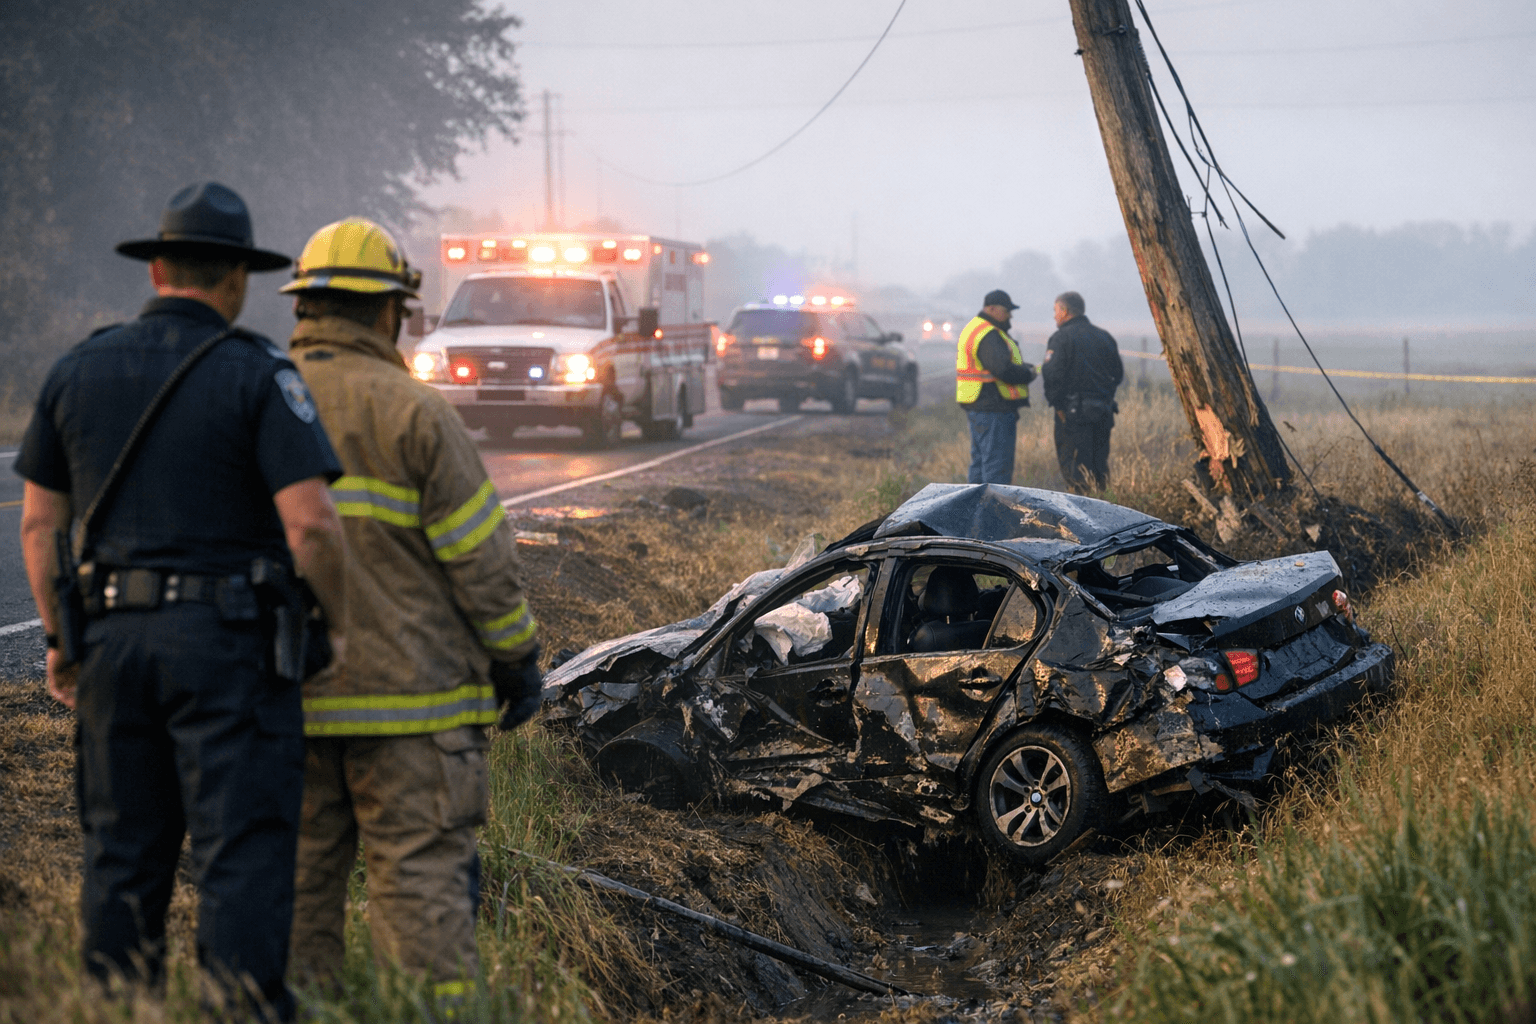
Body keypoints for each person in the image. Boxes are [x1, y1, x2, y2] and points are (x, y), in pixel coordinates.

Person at [15, 182, 347, 1022]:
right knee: (240, 852)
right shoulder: (258, 373)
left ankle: (119, 1009)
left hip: (113, 645)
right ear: (236, 278)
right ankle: (240, 1012)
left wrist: (63, 639)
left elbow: (38, 525)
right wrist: (331, 623)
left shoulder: (76, 369)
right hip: (231, 648)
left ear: (157, 267)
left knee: (122, 851)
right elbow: (310, 527)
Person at [280, 218, 543, 1000]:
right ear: (390, 310)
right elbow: (482, 563)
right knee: (423, 905)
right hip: (414, 711)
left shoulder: (257, 401)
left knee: (292, 908)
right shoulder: (417, 413)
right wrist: (517, 661)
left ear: (306, 306)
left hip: (283, 704)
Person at [1042, 291, 1124, 492]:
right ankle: (1103, 506)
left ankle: (1082, 513)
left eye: (1055, 310)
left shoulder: (1061, 338)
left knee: (1075, 469)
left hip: (1073, 416)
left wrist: (1058, 406)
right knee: (1098, 466)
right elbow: (1118, 374)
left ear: (1065, 311)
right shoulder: (1104, 337)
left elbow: (1052, 375)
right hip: (1103, 412)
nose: (1054, 316)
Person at [955, 289, 1038, 485]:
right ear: (991, 309)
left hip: (980, 407)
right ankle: (993, 514)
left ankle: (975, 513)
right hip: (994, 409)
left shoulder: (976, 328)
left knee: (980, 465)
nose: (1010, 315)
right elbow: (1002, 369)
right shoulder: (988, 334)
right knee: (996, 470)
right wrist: (1027, 373)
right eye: (1006, 310)